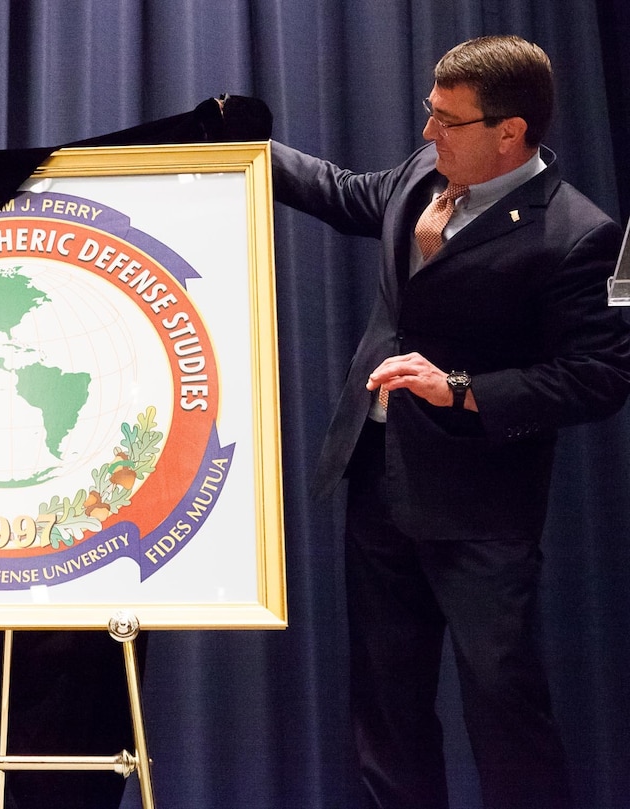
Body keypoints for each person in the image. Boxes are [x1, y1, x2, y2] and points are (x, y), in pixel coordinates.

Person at [268, 35, 630, 809]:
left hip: (479, 510)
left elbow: (599, 378)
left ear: (512, 132)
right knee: (386, 707)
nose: (429, 133)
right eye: (429, 114)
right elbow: (337, 189)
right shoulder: (420, 173)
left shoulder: (580, 234)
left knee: (503, 706)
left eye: (448, 121)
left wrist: (459, 389)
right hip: (377, 480)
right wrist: (241, 146)